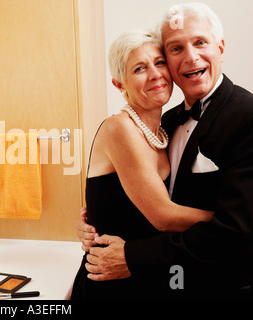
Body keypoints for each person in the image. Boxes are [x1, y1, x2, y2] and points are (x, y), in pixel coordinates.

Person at [77, 2, 253, 298]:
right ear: (120, 83)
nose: (190, 57)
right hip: (140, 281)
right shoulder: (165, 123)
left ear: (220, 47)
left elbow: (236, 231)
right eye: (175, 49)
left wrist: (133, 254)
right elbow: (156, 210)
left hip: (217, 284)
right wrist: (94, 218)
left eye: (200, 42)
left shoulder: (247, 116)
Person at [69, 28, 213, 300]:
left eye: (159, 63)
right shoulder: (119, 128)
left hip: (146, 273)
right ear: (119, 84)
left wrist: (88, 218)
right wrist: (232, 221)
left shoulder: (165, 128)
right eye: (139, 69)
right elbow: (163, 217)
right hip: (110, 279)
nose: (156, 74)